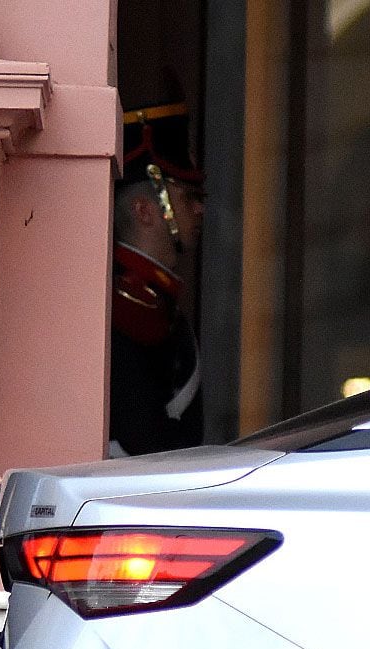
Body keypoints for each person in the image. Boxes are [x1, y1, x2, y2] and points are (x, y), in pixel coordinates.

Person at [109, 101, 205, 458]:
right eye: (187, 196)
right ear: (144, 209)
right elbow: (142, 439)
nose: (200, 209)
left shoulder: (158, 303)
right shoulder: (128, 306)